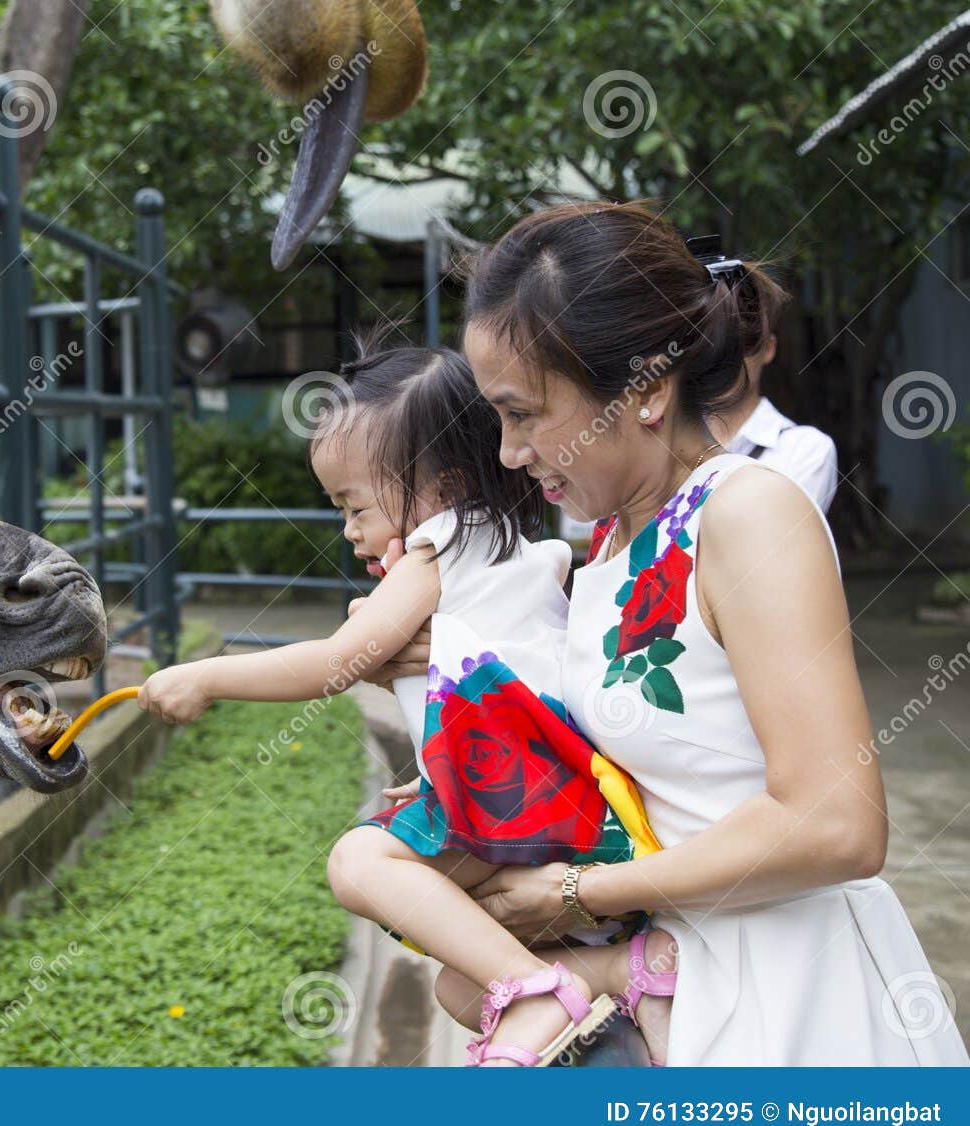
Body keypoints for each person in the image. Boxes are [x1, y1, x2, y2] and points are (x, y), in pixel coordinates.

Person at [388, 200, 966, 1065]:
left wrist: (580, 893)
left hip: (788, 998)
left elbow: (838, 822)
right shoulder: (610, 543)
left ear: (647, 390)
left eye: (523, 413)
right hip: (681, 985)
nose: (507, 452)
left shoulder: (748, 513)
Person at [136, 331, 675, 1066]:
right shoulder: (519, 551)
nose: (348, 528)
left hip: (523, 801)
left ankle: (537, 992)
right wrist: (436, 769)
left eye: (355, 505)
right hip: (567, 804)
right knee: (459, 986)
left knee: (358, 862)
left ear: (444, 491)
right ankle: (624, 971)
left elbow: (333, 663)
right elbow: (504, 684)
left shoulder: (444, 543)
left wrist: (206, 676)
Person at [695, 240, 840, 513]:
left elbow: (762, 548)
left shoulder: (804, 451)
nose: (728, 359)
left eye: (743, 343)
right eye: (711, 342)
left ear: (769, 348)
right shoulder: (660, 443)